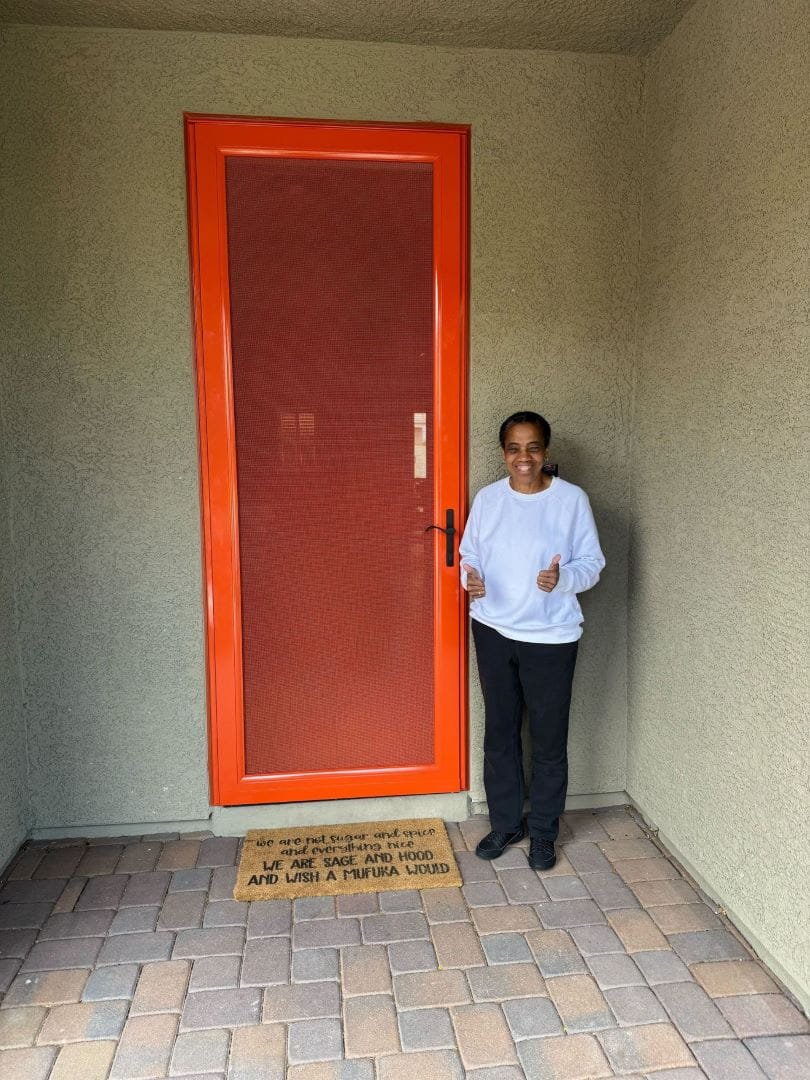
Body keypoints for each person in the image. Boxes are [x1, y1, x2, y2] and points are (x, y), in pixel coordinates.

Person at [459, 411, 605, 870]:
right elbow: (469, 553)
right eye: (514, 448)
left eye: (533, 447)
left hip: (552, 637)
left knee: (547, 739)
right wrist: (472, 579)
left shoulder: (571, 500)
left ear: (546, 451)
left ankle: (543, 830)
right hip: (494, 629)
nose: (524, 458)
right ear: (503, 453)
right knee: (500, 733)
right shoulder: (488, 499)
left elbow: (592, 563)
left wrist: (562, 579)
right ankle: (506, 823)